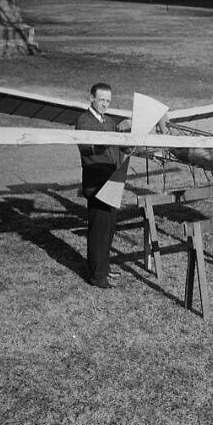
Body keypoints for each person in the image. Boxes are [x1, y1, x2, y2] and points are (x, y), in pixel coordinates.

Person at [75, 82, 127, 288]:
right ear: (91, 98)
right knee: (98, 231)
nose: (105, 104)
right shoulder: (84, 121)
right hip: (96, 182)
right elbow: (86, 149)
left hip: (112, 181)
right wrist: (106, 140)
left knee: (109, 229)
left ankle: (104, 269)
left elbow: (118, 148)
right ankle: (97, 277)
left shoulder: (109, 121)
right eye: (101, 100)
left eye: (108, 101)